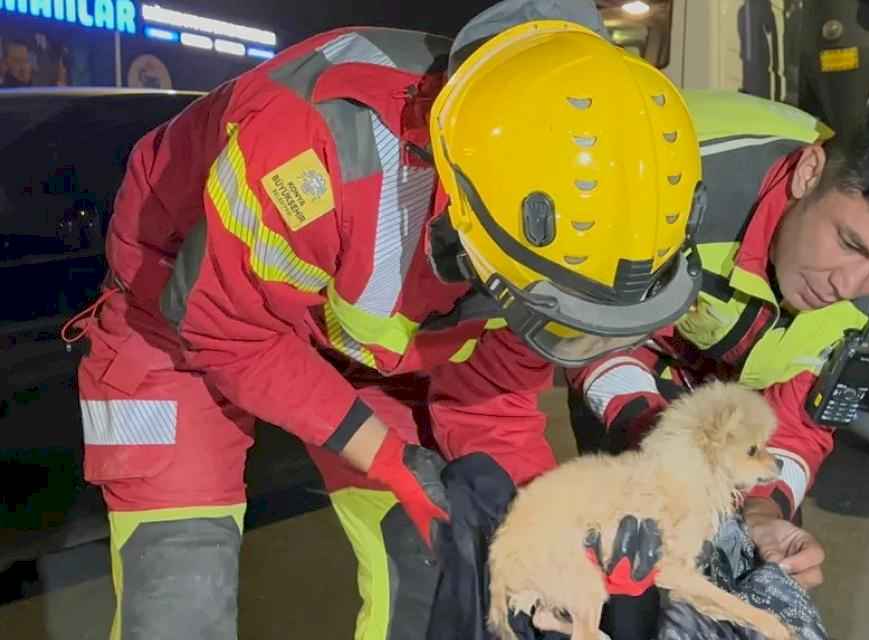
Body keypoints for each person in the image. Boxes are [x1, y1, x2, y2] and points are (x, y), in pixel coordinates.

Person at [66, 7, 706, 639]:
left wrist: (560, 524)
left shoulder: (552, 244)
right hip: (185, 307)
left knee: (426, 564)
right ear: (466, 220)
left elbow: (489, 410)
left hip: (357, 335)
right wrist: (384, 454)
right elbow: (225, 329)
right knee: (181, 589)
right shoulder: (314, 147)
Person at [564, 86, 869, 623]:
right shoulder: (669, 177)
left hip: (742, 402)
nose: (850, 285)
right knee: (625, 574)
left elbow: (804, 419)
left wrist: (764, 509)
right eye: (851, 244)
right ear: (810, 171)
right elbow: (591, 337)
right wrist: (650, 436)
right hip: (637, 348)